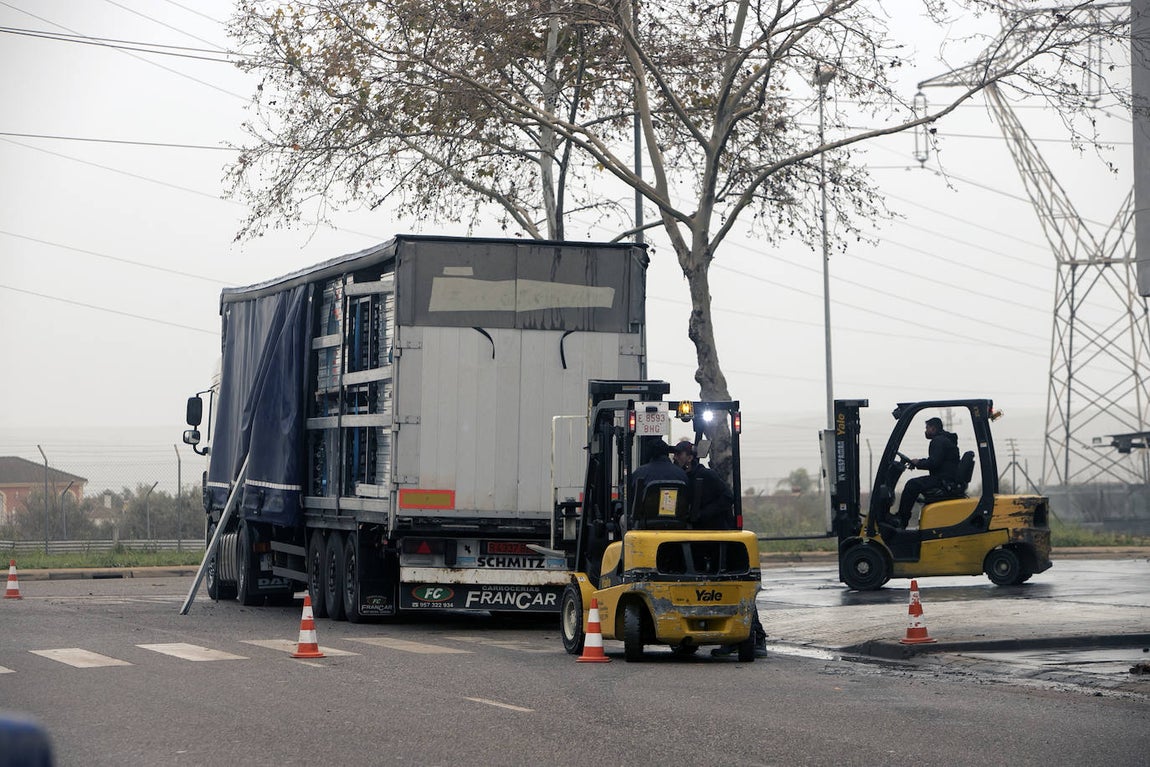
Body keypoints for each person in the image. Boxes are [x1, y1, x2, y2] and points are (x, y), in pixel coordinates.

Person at [672, 440, 768, 659]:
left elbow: (728, 497)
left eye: (680, 454)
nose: (677, 457)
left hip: (721, 540)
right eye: (676, 454)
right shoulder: (684, 477)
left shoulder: (706, 476)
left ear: (690, 456)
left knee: (730, 588)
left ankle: (755, 637)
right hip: (702, 540)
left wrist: (704, 514)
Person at [895, 416, 962, 528]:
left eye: (927, 428)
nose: (925, 431)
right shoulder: (945, 440)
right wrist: (918, 463)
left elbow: (934, 462)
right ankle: (902, 518)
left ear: (933, 429)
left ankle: (902, 520)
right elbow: (937, 461)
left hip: (943, 481)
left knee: (912, 485)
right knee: (915, 485)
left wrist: (918, 462)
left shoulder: (938, 441)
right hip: (946, 479)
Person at [628, 438, 689, 520]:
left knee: (623, 519)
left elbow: (631, 500)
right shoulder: (681, 474)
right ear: (667, 453)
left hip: (646, 523)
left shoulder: (639, 473)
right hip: (676, 522)